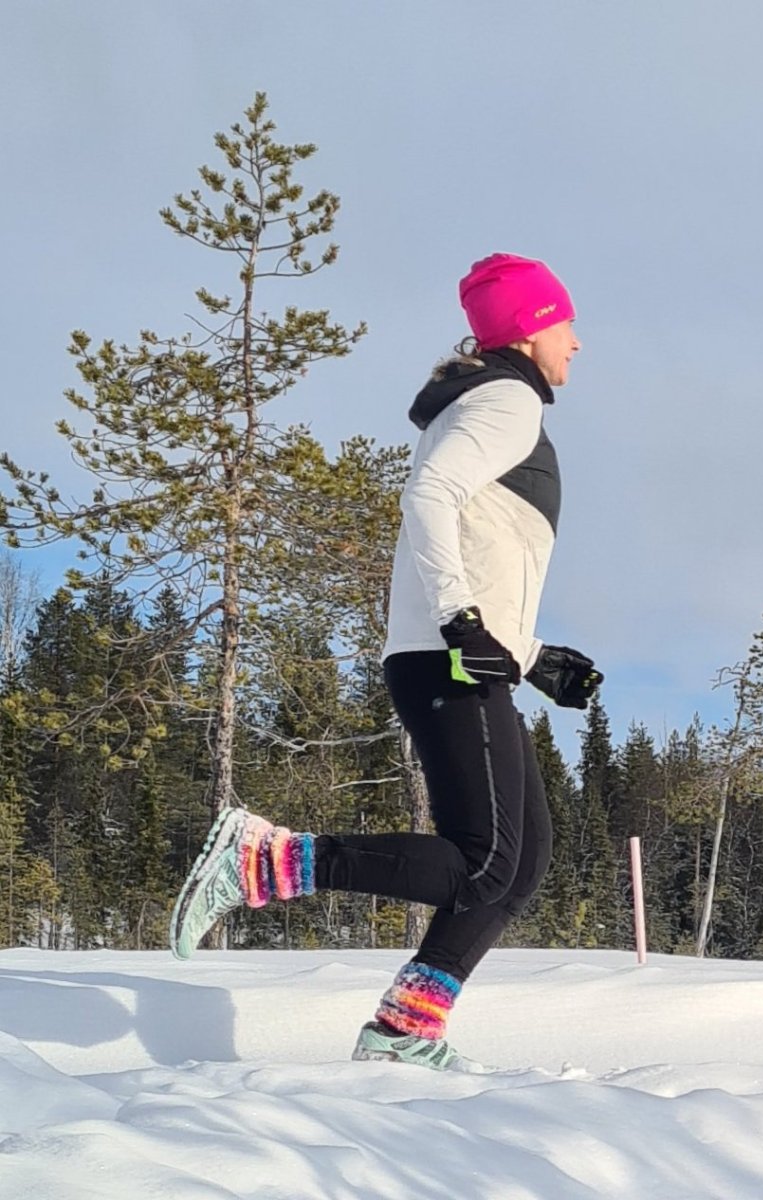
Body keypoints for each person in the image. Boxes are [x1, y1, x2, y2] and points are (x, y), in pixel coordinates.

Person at [168, 252, 603, 1072]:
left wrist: (531, 654)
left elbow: (478, 541)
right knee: (485, 863)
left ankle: (406, 1029)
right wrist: (462, 621)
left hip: (461, 657)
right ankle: (268, 859)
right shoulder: (507, 400)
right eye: (567, 324)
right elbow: (430, 498)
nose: (578, 342)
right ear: (533, 328)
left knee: (518, 867)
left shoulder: (489, 404)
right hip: (451, 659)